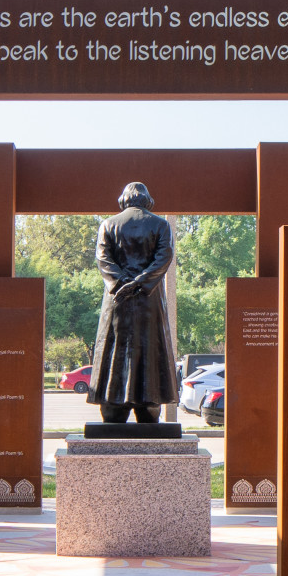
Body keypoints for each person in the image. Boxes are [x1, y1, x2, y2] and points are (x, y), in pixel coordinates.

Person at [85, 181, 180, 423]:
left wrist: (121, 284)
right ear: (147, 199)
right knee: (150, 351)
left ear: (124, 199)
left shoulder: (108, 224)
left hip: (117, 300)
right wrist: (139, 283)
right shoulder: (160, 224)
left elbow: (103, 258)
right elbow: (163, 258)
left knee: (115, 349)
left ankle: (113, 404)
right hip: (149, 300)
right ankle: (148, 404)